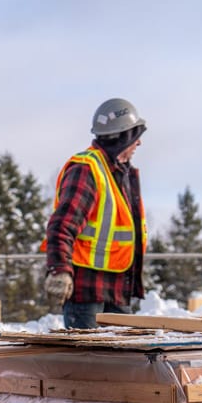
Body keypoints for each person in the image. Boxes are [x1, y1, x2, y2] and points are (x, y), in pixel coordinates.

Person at [41, 98, 147, 330]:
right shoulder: (87, 169)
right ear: (123, 137)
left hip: (117, 291)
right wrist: (59, 269)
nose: (139, 143)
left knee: (125, 354)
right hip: (87, 295)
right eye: (135, 136)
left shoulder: (119, 174)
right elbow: (62, 225)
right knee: (89, 354)